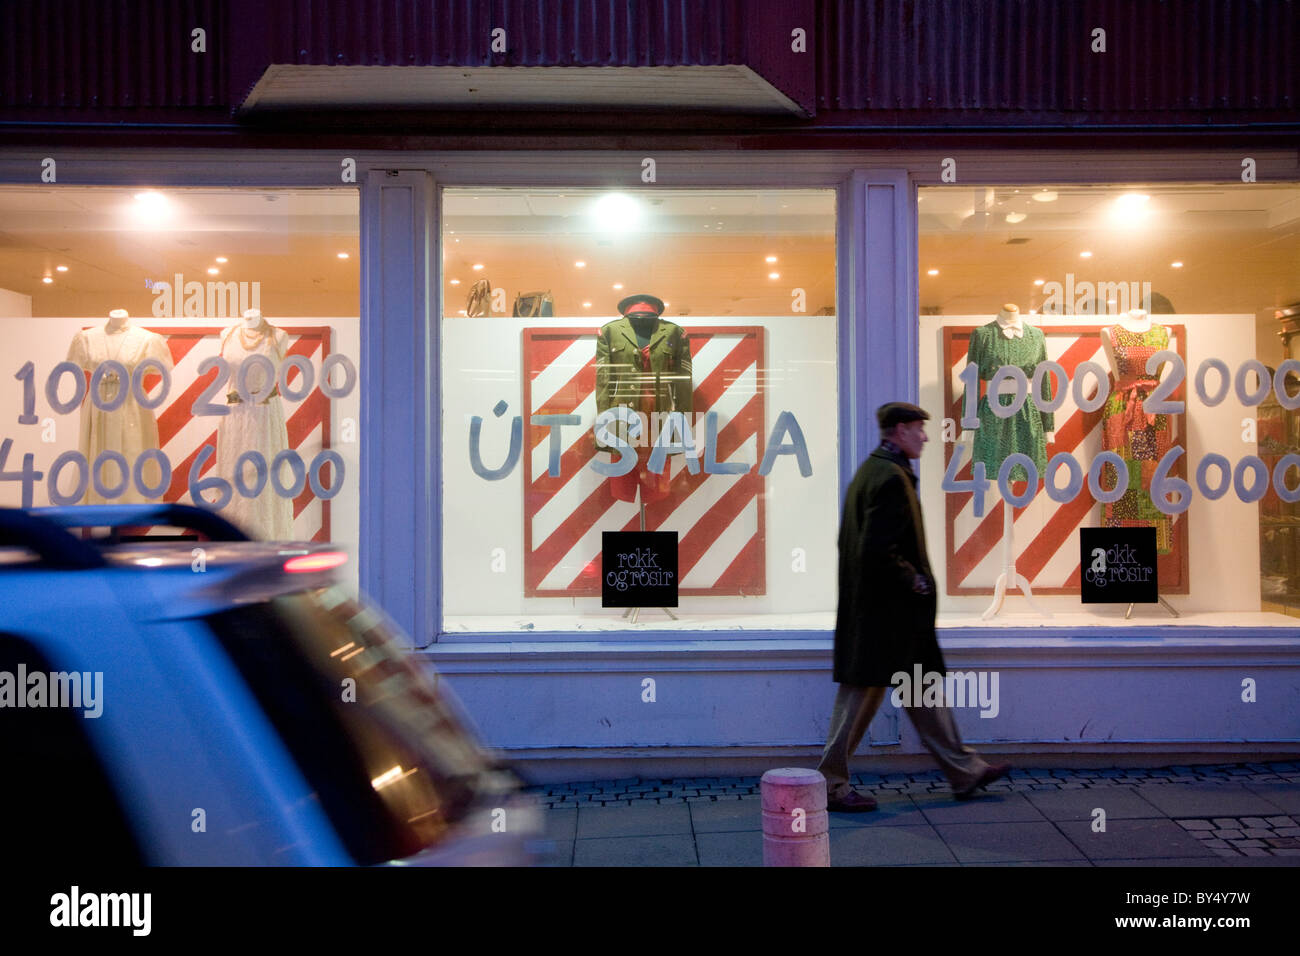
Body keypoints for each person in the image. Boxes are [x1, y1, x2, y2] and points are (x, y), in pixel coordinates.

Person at [816, 401, 1011, 811]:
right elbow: (876, 548)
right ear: (898, 431)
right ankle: (830, 786)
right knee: (860, 699)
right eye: (918, 428)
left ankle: (965, 771)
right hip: (886, 617)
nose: (925, 436)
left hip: (885, 616)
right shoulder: (889, 477)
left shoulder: (876, 471)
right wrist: (914, 579)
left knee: (922, 692)